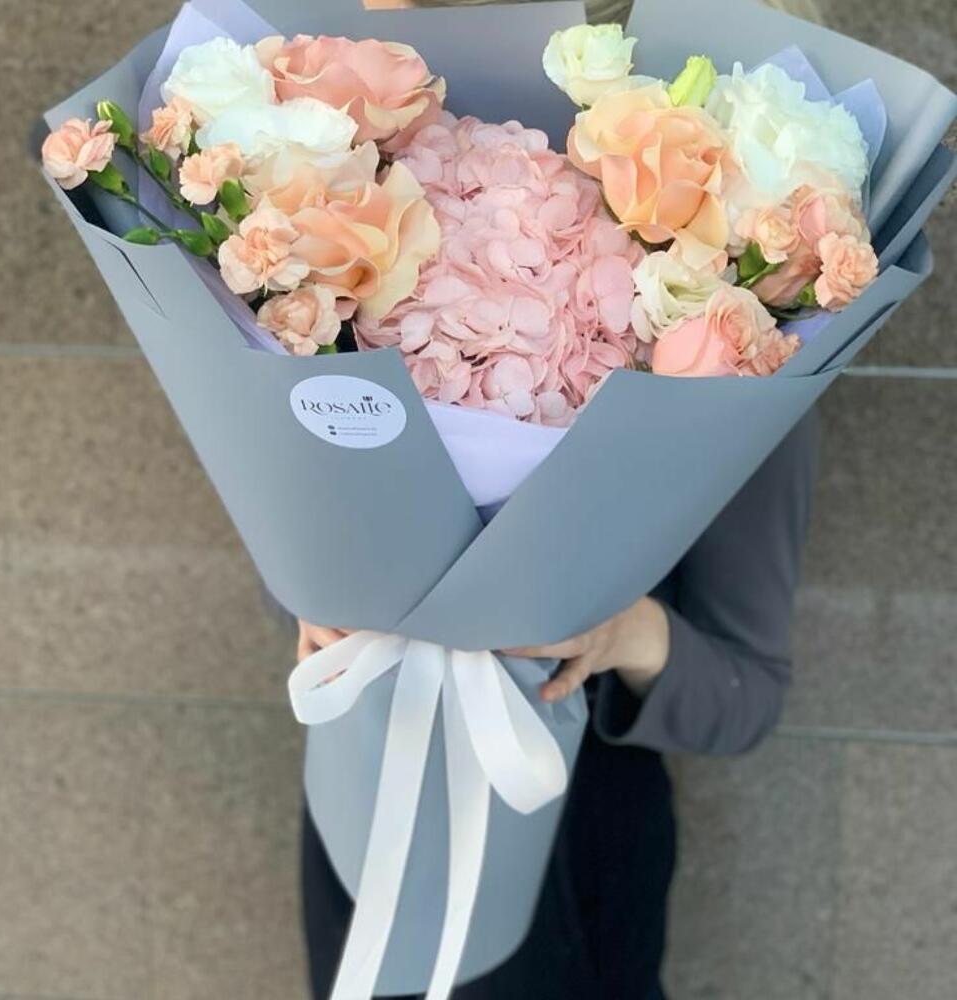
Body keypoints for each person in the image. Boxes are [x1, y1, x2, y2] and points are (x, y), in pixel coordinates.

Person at [303, 2, 825, 997]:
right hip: (363, 799)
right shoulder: (348, 249)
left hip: (574, 831)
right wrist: (315, 599)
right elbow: (292, 503)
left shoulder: (732, 343)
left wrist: (628, 632)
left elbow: (747, 695)